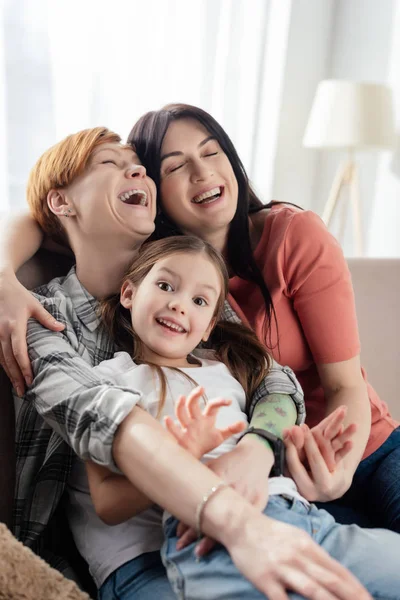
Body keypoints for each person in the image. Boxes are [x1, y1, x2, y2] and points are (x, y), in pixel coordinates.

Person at [0, 127, 379, 600]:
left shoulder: (182, 280)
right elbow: (98, 414)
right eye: (109, 165)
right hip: (138, 551)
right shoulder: (37, 314)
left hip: (268, 507)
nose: (136, 170)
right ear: (62, 203)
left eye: (136, 164)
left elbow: (272, 382)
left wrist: (258, 446)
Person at [68, 233, 400, 600]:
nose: (179, 306)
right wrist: (184, 457)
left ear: (210, 325)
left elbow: (251, 459)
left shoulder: (228, 373)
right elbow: (108, 503)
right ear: (129, 293)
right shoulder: (106, 382)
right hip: (201, 535)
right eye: (165, 286)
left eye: (198, 300)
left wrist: (302, 455)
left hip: (299, 519)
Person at [126, 103, 400, 530]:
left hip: (368, 449)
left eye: (212, 152)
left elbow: (346, 384)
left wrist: (338, 474)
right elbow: (51, 219)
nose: (203, 173)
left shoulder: (294, 235)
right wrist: (6, 279)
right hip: (276, 476)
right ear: (154, 193)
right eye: (176, 167)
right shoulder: (159, 285)